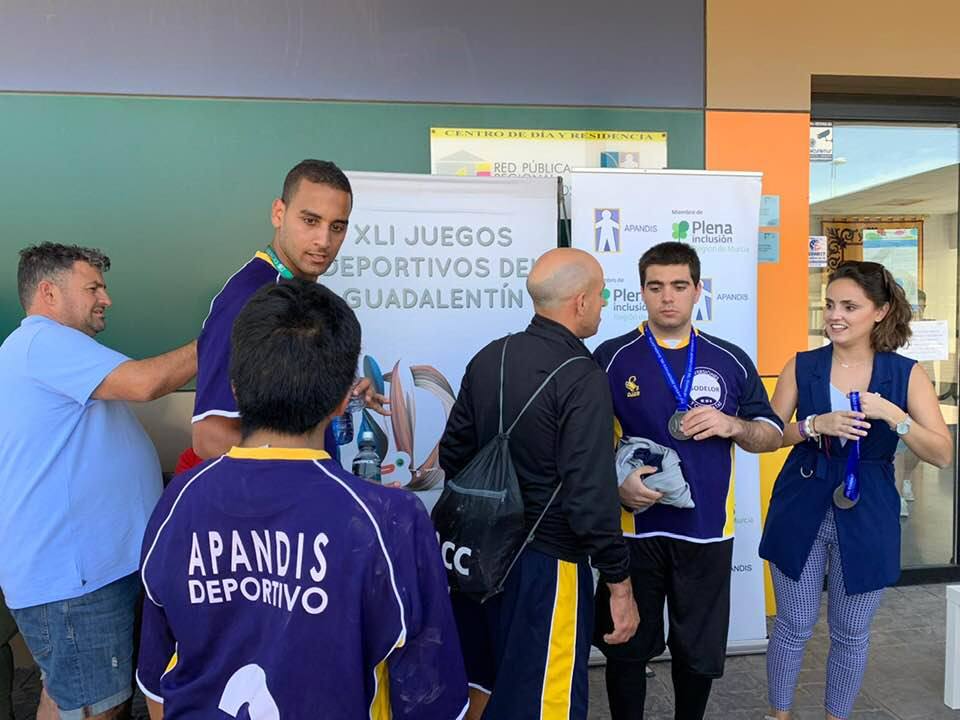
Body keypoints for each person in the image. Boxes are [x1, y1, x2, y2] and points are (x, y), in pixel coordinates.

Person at [137, 280, 468, 719]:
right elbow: (430, 697)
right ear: (339, 401)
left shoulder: (181, 497)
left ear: (235, 387)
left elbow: (159, 685)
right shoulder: (390, 519)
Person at [440, 247, 639, 720]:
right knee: (546, 703)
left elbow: (453, 455)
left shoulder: (489, 357)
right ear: (581, 302)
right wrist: (620, 584)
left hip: (478, 561)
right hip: (549, 568)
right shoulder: (582, 376)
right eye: (602, 294)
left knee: (485, 690)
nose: (605, 304)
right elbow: (590, 497)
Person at [0, 243, 197, 720]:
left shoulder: (54, 353)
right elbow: (146, 384)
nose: (105, 298)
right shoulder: (42, 342)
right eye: (93, 288)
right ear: (48, 292)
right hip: (77, 585)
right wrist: (224, 336)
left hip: (89, 576)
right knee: (96, 708)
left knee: (73, 699)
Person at [594, 241, 783, 720]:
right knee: (628, 649)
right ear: (641, 292)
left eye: (679, 286)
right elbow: (585, 444)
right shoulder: (613, 357)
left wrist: (733, 425)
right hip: (636, 528)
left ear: (698, 290)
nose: (668, 298)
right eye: (656, 287)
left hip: (706, 530)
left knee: (697, 653)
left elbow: (771, 435)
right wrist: (615, 485)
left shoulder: (730, 359)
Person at [759, 261, 951, 720]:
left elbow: (942, 453)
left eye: (850, 306)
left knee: (851, 631)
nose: (834, 316)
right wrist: (811, 424)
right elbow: (765, 435)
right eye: (829, 305)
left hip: (869, 509)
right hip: (801, 501)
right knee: (792, 624)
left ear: (881, 312)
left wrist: (894, 416)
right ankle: (778, 714)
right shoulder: (802, 366)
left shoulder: (905, 374)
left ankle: (836, 715)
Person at [191, 159, 386, 461]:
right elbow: (209, 437)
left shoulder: (298, 293)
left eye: (337, 227)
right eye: (310, 221)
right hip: (278, 503)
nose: (324, 241)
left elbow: (283, 416)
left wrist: (338, 394)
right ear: (279, 213)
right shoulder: (249, 298)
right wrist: (307, 482)